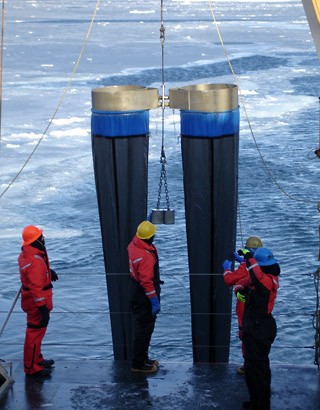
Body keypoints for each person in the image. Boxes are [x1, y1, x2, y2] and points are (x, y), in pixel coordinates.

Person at [234, 247, 280, 410]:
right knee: (257, 369)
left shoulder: (266, 281)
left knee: (257, 371)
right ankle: (257, 401)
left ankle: (260, 405)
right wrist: (239, 290)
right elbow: (246, 281)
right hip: (257, 327)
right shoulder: (267, 278)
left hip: (258, 329)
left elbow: (256, 276)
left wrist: (248, 258)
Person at [18, 225, 58, 376]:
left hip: (31, 301)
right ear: (36, 240)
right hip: (37, 304)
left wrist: (47, 272)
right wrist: (42, 308)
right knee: (34, 333)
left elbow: (34, 274)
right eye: (41, 236)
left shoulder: (27, 254)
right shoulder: (35, 261)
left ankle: (37, 359)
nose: (43, 238)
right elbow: (36, 288)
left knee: (37, 333)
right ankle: (31, 367)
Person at [222, 236, 263, 375]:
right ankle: (257, 363)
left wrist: (226, 269)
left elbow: (229, 280)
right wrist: (242, 261)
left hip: (245, 308)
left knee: (245, 336)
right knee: (258, 337)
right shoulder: (263, 264)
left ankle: (248, 365)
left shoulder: (244, 269)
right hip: (260, 308)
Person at [127, 220, 162, 373]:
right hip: (144, 296)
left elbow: (138, 236)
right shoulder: (146, 256)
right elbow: (147, 282)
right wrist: (153, 300)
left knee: (142, 328)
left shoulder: (133, 245)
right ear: (149, 238)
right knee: (144, 329)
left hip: (135, 290)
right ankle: (138, 364)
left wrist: (146, 224)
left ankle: (143, 358)